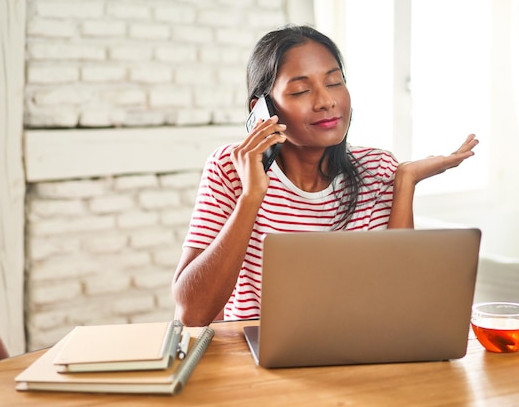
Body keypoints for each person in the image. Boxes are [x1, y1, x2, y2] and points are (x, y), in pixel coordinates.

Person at [172, 24, 478, 326]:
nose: (326, 102)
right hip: (255, 362)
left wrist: (405, 181)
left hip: (359, 352)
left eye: (334, 83)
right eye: (301, 90)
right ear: (262, 110)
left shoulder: (379, 168)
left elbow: (397, 298)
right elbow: (192, 312)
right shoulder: (231, 167)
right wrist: (251, 196)